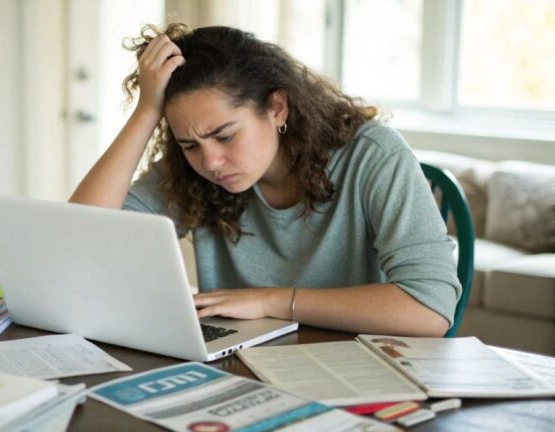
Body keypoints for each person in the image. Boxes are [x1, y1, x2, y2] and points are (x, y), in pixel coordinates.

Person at [69, 23, 460, 337]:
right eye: (189, 144)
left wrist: (273, 301)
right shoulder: (193, 169)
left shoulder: (373, 156)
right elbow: (82, 238)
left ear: (276, 108)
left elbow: (430, 308)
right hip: (242, 365)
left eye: (225, 136)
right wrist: (147, 112)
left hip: (354, 366)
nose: (211, 161)